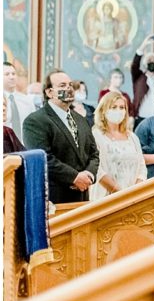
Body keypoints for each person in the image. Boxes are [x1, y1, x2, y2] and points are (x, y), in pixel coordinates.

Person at [22, 70, 101, 204]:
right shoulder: (36, 121)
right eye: (62, 85)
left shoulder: (81, 120)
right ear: (49, 92)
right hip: (54, 197)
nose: (68, 89)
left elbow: (93, 153)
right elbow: (44, 157)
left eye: (70, 85)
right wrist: (74, 177)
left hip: (82, 196)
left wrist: (89, 175)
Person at [90, 91, 146, 199]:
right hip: (106, 196)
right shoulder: (96, 135)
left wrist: (136, 190)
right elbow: (98, 169)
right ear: (103, 110)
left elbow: (141, 166)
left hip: (133, 197)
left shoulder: (132, 137)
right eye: (113, 107)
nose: (118, 111)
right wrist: (119, 192)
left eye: (122, 107)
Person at [3, 60, 35, 142]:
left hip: (24, 145)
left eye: (13, 74)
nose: (12, 77)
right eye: (7, 74)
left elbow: (33, 124)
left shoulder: (27, 101)